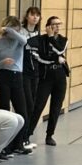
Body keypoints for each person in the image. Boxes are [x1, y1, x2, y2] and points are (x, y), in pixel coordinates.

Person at [0, 16, 32, 156]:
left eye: (16, 30)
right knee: (5, 112)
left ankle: (18, 143)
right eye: (11, 29)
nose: (13, 33)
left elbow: (24, 41)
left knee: (22, 112)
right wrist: (3, 62)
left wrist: (11, 30)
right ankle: (4, 146)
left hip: (17, 77)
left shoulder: (19, 42)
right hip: (3, 76)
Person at [27, 16, 69, 146]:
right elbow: (40, 57)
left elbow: (59, 50)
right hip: (46, 76)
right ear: (48, 26)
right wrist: (55, 59)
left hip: (60, 76)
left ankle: (49, 135)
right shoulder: (40, 40)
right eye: (54, 24)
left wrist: (51, 38)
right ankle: (27, 134)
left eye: (59, 24)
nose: (57, 26)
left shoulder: (63, 40)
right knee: (38, 105)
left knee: (56, 107)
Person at [20, 6, 41, 149]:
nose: (35, 17)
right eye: (32, 15)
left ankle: (26, 137)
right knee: (27, 105)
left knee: (33, 105)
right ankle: (22, 138)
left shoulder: (39, 34)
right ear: (27, 16)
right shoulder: (21, 31)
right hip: (24, 73)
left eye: (37, 15)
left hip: (36, 74)